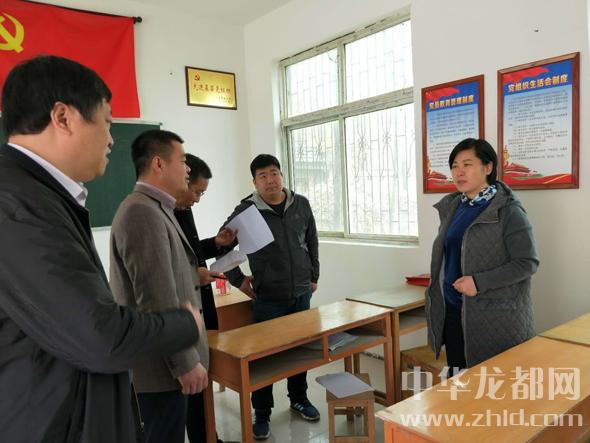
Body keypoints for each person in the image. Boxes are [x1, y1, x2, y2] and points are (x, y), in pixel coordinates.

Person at [0, 55, 203, 442]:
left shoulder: (38, 195)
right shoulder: (19, 205)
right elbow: (100, 337)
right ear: (63, 118)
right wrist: (185, 324)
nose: (111, 139)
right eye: (107, 122)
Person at [110, 130, 208, 443]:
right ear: (158, 164)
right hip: (160, 371)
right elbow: (156, 299)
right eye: (182, 161)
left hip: (165, 365)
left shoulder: (158, 208)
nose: (188, 169)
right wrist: (185, 364)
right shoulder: (141, 211)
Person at [221, 154, 320, 440]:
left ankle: (299, 398)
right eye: (262, 175)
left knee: (299, 350)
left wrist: (314, 275)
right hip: (268, 297)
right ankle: (262, 412)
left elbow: (311, 240)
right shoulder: (246, 211)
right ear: (254, 182)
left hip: (301, 292)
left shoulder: (301, 204)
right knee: (264, 358)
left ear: (282, 175)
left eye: (274, 173)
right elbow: (222, 246)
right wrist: (238, 280)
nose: (270, 180)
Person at [426, 138, 539, 375]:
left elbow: (527, 263)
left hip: (495, 318)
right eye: (454, 166)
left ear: (488, 167)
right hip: (454, 313)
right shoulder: (453, 207)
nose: (459, 172)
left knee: (495, 389)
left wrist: (478, 282)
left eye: (467, 164)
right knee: (460, 385)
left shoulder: (509, 210)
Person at [174, 153, 237, 443]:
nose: (198, 199)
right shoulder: (158, 213)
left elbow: (190, 251)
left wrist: (216, 243)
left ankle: (207, 436)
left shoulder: (183, 209)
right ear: (181, 180)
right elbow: (165, 270)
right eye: (197, 191)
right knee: (189, 389)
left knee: (202, 385)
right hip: (184, 312)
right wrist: (193, 275)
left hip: (202, 305)